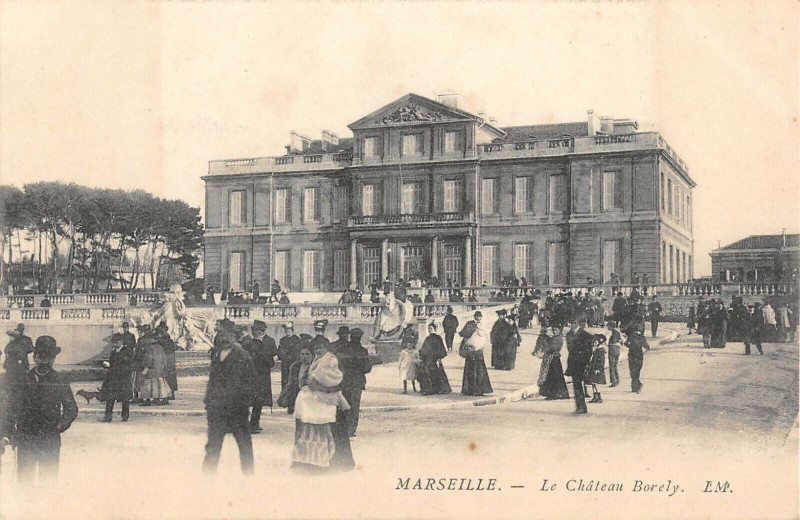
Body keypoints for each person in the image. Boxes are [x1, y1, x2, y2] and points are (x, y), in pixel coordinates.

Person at [13, 336, 78, 481]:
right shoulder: (23, 379)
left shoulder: (60, 380)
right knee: (24, 482)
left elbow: (72, 408)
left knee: (48, 482)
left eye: (50, 357)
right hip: (26, 439)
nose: (45, 361)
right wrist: (13, 430)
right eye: (41, 357)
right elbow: (12, 407)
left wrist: (60, 426)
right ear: (35, 357)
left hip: (49, 440)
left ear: (54, 358)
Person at [291, 347, 354, 472]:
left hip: (330, 401)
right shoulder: (316, 362)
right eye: (316, 348)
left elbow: (333, 382)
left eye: (321, 348)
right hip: (322, 402)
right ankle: (315, 462)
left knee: (330, 433)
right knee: (319, 433)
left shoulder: (328, 361)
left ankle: (334, 463)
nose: (318, 351)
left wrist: (319, 388)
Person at [202, 331, 257, 475]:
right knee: (213, 445)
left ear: (234, 337)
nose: (225, 339)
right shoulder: (216, 355)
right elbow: (212, 381)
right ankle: (207, 477)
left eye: (228, 336)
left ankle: (249, 477)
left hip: (237, 408)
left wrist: (244, 402)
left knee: (244, 444)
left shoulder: (243, 356)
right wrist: (209, 401)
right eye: (222, 336)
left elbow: (251, 381)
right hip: (217, 409)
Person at [241, 320, 277, 433]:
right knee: (252, 400)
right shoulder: (251, 344)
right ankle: (249, 424)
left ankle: (253, 424)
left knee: (256, 400)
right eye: (256, 330)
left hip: (257, 375)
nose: (257, 332)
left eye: (259, 330)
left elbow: (273, 358)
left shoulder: (268, 342)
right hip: (255, 375)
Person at [337, 328, 371, 437]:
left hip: (344, 380)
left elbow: (338, 364)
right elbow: (367, 368)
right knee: (354, 407)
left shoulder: (342, 349)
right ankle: (351, 430)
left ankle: (342, 428)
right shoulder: (363, 351)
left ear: (350, 336)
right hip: (357, 382)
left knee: (344, 404)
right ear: (360, 338)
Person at [100, 333, 134, 422]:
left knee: (125, 399)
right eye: (114, 343)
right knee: (109, 398)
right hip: (113, 379)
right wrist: (108, 364)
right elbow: (112, 362)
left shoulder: (127, 351)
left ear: (121, 342)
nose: (115, 344)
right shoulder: (113, 352)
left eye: (116, 342)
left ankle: (125, 417)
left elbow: (127, 363)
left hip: (123, 379)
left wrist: (112, 365)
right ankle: (108, 417)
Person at [458, 311, 493, 396]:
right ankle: (470, 389)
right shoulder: (470, 324)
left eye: (480, 317)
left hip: (479, 351)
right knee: (470, 370)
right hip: (471, 350)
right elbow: (463, 334)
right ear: (475, 317)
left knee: (480, 370)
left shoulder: (482, 325)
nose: (479, 318)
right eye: (477, 316)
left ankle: (480, 389)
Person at [565, 321, 594, 414]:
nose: (571, 324)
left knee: (580, 384)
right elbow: (569, 349)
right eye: (570, 322)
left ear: (578, 323)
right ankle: (580, 406)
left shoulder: (586, 335)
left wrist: (586, 362)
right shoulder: (568, 334)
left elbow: (589, 351)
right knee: (576, 384)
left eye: (574, 322)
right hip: (573, 362)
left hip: (582, 362)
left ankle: (582, 406)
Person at [534, 326, 570, 400]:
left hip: (554, 359)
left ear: (559, 330)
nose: (555, 331)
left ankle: (557, 393)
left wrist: (545, 346)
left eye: (556, 330)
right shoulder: (553, 338)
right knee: (551, 376)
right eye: (553, 330)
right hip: (551, 359)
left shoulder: (558, 338)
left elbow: (552, 347)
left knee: (555, 376)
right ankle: (552, 393)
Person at [417, 322, 451, 396]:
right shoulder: (427, 338)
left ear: (435, 329)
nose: (430, 330)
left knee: (436, 373)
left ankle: (437, 389)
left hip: (434, 359)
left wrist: (439, 358)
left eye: (431, 328)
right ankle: (428, 389)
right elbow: (424, 349)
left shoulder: (438, 338)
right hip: (427, 359)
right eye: (429, 328)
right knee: (426, 373)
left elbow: (440, 349)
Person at [276, 347, 314, 414]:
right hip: (297, 395)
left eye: (307, 354)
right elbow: (291, 384)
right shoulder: (295, 367)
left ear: (312, 355)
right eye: (302, 354)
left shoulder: (315, 366)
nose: (304, 356)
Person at [139, 332, 171, 406]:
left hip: (151, 371)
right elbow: (164, 359)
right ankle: (157, 399)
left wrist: (145, 368)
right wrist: (164, 367)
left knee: (148, 386)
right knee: (159, 385)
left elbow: (148, 360)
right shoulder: (160, 347)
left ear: (151, 339)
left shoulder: (150, 348)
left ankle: (147, 400)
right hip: (160, 370)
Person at [155, 322, 178, 399]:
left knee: (166, 377)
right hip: (170, 360)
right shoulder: (168, 340)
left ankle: (168, 394)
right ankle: (171, 393)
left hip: (167, 360)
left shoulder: (164, 340)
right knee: (170, 376)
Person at [624, 328, 650, 393]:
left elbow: (626, 344)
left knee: (633, 372)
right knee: (635, 372)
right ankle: (636, 386)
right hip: (637, 356)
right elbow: (647, 347)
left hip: (634, 356)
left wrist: (630, 346)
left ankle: (635, 387)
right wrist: (643, 353)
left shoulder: (633, 337)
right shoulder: (640, 337)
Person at [278, 321, 302, 390]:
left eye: (289, 331)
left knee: (293, 382)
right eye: (286, 331)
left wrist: (291, 357)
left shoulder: (297, 340)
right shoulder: (282, 340)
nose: (287, 333)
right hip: (285, 364)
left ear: (292, 331)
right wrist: (283, 356)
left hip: (294, 363)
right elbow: (279, 351)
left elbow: (297, 352)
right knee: (285, 382)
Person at [585, 335, 607, 404]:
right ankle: (595, 396)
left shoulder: (600, 351)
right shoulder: (596, 350)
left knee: (596, 383)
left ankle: (599, 396)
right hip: (593, 368)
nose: (594, 343)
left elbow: (601, 361)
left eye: (595, 342)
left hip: (597, 369)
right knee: (593, 383)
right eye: (593, 342)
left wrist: (598, 368)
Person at [607, 322, 622, 387]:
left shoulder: (610, 332)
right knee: (615, 365)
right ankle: (617, 379)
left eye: (608, 326)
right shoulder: (618, 332)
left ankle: (613, 381)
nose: (607, 327)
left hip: (612, 348)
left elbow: (606, 340)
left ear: (611, 326)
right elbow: (622, 340)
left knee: (611, 365)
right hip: (618, 348)